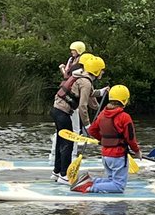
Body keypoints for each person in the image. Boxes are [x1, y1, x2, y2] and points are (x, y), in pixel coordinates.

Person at [74, 84, 140, 193]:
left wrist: (103, 140)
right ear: (125, 100)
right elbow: (130, 138)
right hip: (118, 156)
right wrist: (137, 151)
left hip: (105, 155)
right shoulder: (125, 117)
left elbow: (92, 131)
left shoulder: (102, 114)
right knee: (118, 186)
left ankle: (91, 180)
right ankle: (89, 187)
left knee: (111, 180)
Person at [50, 52, 103, 183]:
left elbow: (89, 94)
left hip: (56, 110)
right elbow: (83, 106)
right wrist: (89, 126)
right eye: (102, 71)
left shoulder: (82, 77)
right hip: (63, 113)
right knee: (67, 144)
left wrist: (101, 92)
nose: (102, 73)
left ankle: (56, 172)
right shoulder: (86, 82)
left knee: (61, 143)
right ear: (96, 71)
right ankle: (64, 175)